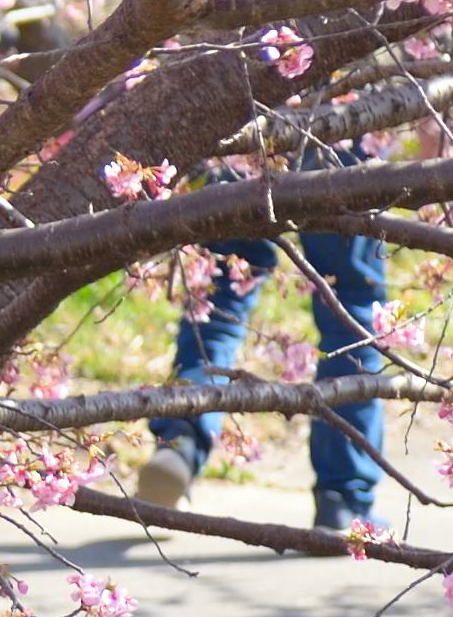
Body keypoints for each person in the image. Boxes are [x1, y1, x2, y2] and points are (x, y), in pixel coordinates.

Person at [125, 0, 399, 539]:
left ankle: (182, 440)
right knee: (351, 305)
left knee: (220, 290)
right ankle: (343, 496)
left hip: (228, 106)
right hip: (339, 113)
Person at [125, 229, 392, 537]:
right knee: (351, 297)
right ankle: (343, 498)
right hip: (332, 180)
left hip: (239, 183)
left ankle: (182, 439)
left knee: (223, 282)